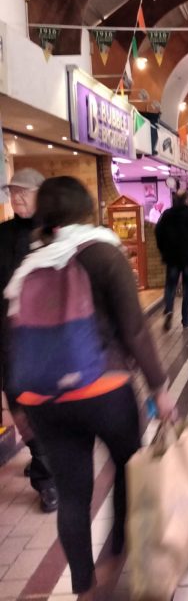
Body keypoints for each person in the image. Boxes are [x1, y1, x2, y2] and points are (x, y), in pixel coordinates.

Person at [4, 176, 176, 601]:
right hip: (105, 387)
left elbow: (9, 341)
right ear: (86, 208)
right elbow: (134, 329)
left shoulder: (28, 266)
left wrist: (17, 405)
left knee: (74, 490)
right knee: (129, 467)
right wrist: (159, 388)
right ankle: (120, 552)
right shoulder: (102, 250)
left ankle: (84, 586)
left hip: (45, 400)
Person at [0, 168, 57, 513]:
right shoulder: (2, 234)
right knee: (19, 404)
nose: (17, 197)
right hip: (9, 338)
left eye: (23, 192)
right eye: (12, 192)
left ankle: (46, 471)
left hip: (47, 337)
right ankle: (43, 464)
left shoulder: (54, 233)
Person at [155, 190, 188, 330]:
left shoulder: (166, 215)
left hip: (171, 257)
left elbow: (158, 233)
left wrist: (163, 250)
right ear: (187, 200)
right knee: (187, 286)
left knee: (171, 284)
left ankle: (169, 308)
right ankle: (186, 318)